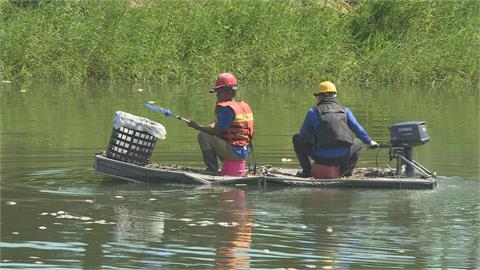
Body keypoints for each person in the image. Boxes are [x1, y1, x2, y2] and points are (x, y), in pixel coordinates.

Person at [292, 81, 378, 178]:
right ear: (334, 95)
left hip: (320, 157)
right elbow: (358, 128)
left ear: (319, 96)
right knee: (357, 142)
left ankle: (307, 172)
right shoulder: (345, 110)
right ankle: (346, 173)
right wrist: (369, 142)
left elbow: (302, 135)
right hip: (342, 157)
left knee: (296, 138)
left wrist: (313, 138)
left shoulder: (312, 112)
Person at [187, 73, 254, 175]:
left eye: (219, 92)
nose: (217, 95)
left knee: (203, 136)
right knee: (209, 133)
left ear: (228, 92)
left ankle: (212, 169)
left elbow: (217, 131)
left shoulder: (226, 109)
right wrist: (209, 126)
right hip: (245, 151)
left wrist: (197, 127)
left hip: (235, 153)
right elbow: (229, 124)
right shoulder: (242, 106)